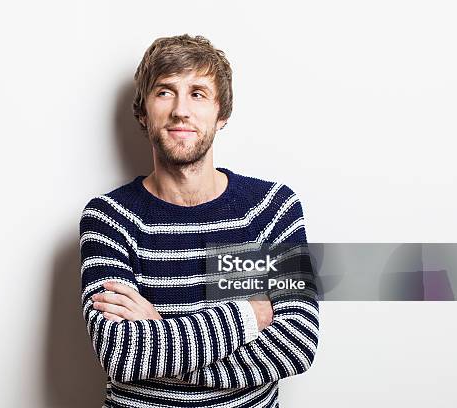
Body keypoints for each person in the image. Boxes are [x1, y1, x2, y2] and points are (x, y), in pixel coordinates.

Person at [79, 34, 319, 407]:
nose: (180, 111)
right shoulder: (109, 217)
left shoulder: (272, 208)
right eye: (164, 92)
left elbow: (296, 345)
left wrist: (157, 338)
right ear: (143, 112)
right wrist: (249, 315)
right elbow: (119, 352)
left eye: (198, 93)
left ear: (221, 113)